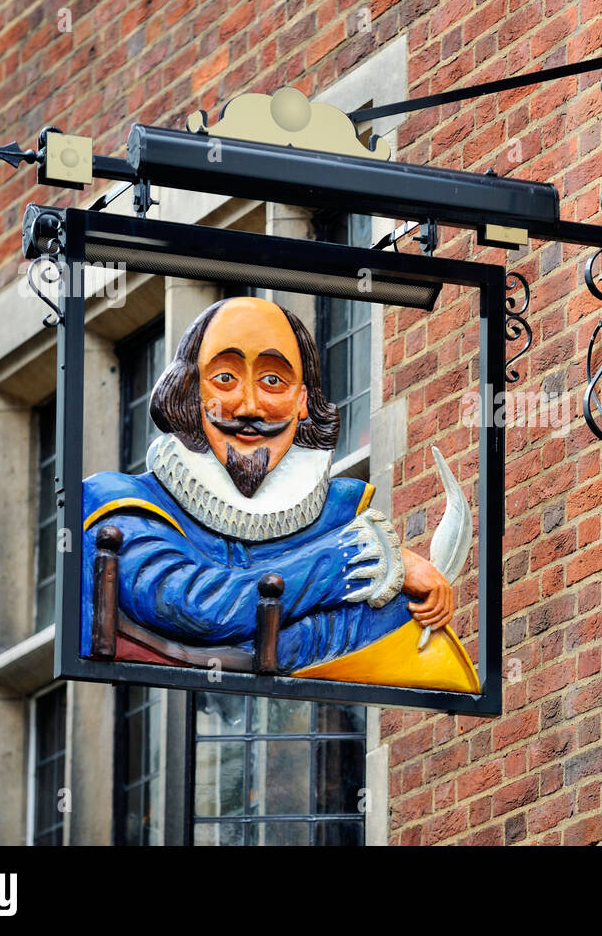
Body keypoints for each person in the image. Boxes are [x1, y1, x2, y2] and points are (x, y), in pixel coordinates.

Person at [80, 296, 478, 693]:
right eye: (225, 379)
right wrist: (372, 559)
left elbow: (275, 641)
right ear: (189, 391)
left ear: (302, 401)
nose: (250, 406)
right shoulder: (119, 504)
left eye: (273, 381)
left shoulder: (338, 515)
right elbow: (198, 608)